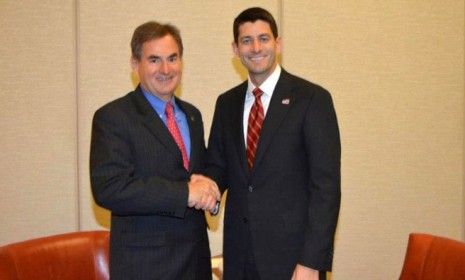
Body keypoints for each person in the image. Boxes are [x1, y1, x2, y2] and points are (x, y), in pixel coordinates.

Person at [206, 7, 341, 280]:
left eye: (264, 38)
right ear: (235, 49)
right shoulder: (226, 103)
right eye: (246, 40)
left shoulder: (312, 99)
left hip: (293, 262)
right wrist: (204, 190)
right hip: (240, 258)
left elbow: (326, 189)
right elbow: (217, 168)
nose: (256, 47)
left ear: (277, 44)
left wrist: (311, 263)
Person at [90, 21, 220, 280]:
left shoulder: (191, 115)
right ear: (134, 64)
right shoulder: (113, 117)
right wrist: (185, 193)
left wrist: (210, 191)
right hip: (146, 267)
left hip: (195, 262)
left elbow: (196, 174)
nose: (165, 69)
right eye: (154, 60)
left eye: (173, 58)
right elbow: (110, 188)